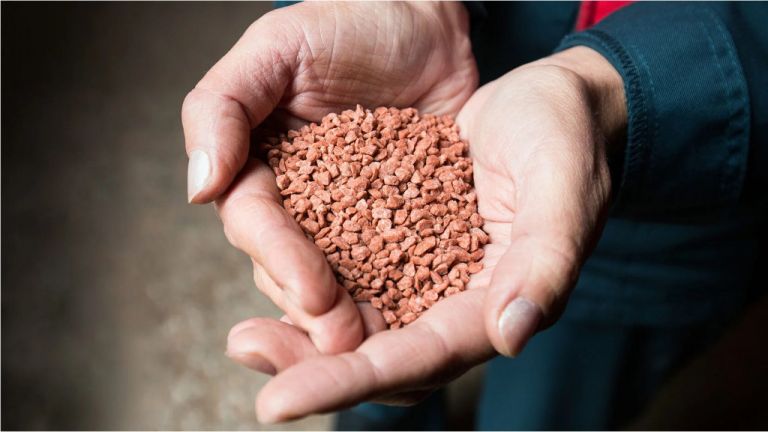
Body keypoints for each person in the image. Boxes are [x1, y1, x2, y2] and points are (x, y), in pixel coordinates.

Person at [181, 2, 768, 429]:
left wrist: (609, 86)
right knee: (361, 376)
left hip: (680, 200)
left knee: (544, 413)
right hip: (468, 69)